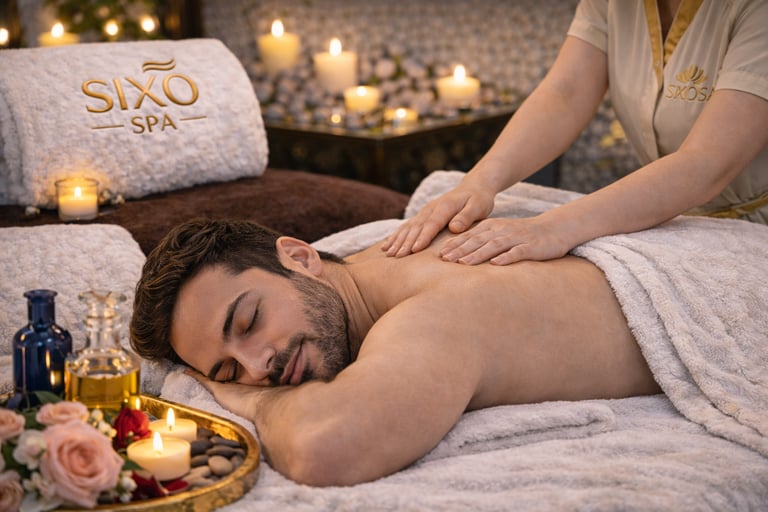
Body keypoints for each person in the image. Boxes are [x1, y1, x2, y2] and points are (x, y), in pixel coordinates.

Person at [130, 218, 661, 487]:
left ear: (301, 257)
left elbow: (323, 447)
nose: (257, 367)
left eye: (248, 321)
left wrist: (241, 398)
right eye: (227, 371)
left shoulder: (433, 312)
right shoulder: (372, 259)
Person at [381, 0, 768, 266]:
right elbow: (564, 95)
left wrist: (552, 228)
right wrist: (479, 184)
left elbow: (706, 162)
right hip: (668, 223)